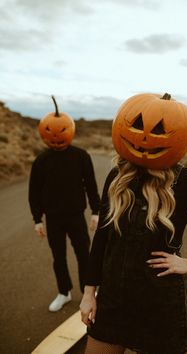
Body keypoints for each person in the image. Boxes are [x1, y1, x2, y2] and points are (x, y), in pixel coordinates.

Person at [80, 93, 187, 354]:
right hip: (113, 300)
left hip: (159, 304)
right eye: (138, 125)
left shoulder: (186, 182)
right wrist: (88, 293)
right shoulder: (117, 177)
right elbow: (102, 239)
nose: (144, 137)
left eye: (161, 130)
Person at [29, 96, 100, 312]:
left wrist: (96, 212)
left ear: (70, 130)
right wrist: (37, 220)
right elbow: (34, 192)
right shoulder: (41, 160)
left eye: (62, 131)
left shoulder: (81, 156)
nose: (57, 137)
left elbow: (91, 186)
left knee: (84, 255)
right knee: (58, 256)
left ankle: (88, 292)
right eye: (51, 132)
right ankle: (64, 292)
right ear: (44, 133)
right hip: (53, 218)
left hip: (76, 216)